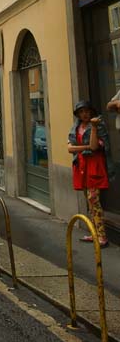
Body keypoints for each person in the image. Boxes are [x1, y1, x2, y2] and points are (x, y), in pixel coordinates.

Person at [68, 100, 109, 247]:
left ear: (91, 111)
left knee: (93, 199)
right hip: (82, 165)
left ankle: (102, 236)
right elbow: (69, 148)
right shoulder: (76, 127)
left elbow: (94, 147)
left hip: (94, 165)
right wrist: (83, 148)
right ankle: (94, 234)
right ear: (78, 114)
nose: (84, 114)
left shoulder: (98, 126)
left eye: (86, 111)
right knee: (89, 201)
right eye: (81, 112)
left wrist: (93, 127)